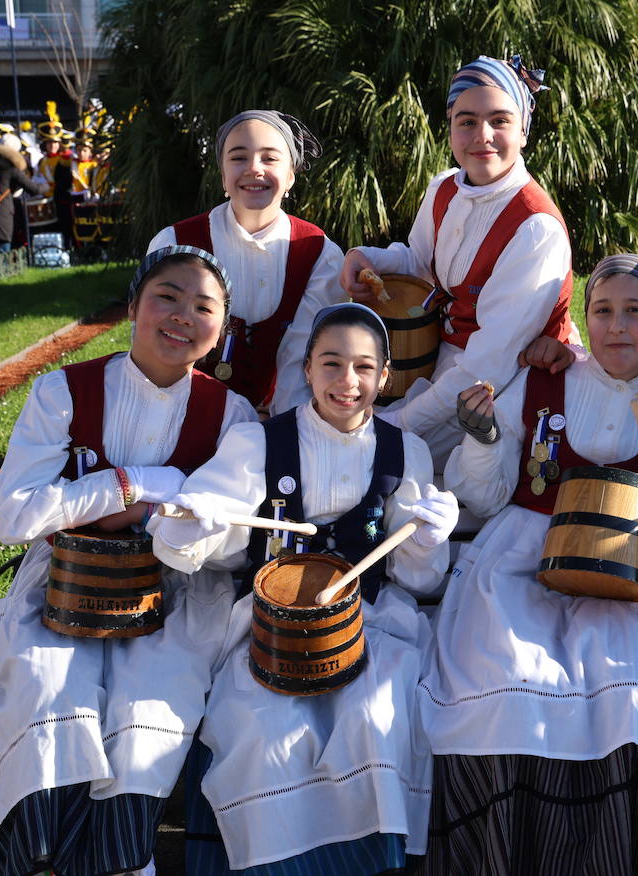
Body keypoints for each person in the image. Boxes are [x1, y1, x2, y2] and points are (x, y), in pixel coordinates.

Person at [0, 247, 258, 876]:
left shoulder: (234, 417)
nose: (182, 316)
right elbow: (14, 517)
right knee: (44, 690)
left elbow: (232, 541)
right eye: (166, 297)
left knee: (145, 710)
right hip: (63, 583)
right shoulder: (63, 391)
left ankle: (119, 860)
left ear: (221, 330)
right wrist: (129, 483)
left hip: (176, 593)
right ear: (133, 307)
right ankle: (30, 859)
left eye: (204, 307)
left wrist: (151, 515)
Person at [420, 255, 638, 874]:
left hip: (629, 574)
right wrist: (482, 441)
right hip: (523, 557)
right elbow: (484, 496)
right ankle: (506, 854)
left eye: (634, 312)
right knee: (506, 672)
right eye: (603, 311)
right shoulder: (542, 385)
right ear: (585, 320)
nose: (617, 327)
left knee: (637, 690)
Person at [149, 302, 456, 874]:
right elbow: (201, 542)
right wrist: (201, 520)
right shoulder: (257, 444)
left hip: (370, 624)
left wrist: (427, 539)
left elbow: (418, 578)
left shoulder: (403, 451)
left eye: (365, 368)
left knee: (376, 717)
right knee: (263, 729)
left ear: (385, 377)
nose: (348, 381)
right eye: (332, 363)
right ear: (307, 369)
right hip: (268, 628)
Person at [339, 54, 580, 466]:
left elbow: (491, 363)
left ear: (523, 130)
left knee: (377, 453)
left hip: (502, 386)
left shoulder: (535, 228)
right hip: (442, 355)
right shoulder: (445, 188)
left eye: (500, 121)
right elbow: (418, 261)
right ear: (450, 128)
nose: (482, 135)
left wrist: (397, 423)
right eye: (466, 120)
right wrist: (366, 256)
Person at [148, 109, 345, 415]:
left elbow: (307, 357)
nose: (254, 168)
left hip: (284, 418)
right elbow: (155, 351)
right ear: (223, 174)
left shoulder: (319, 253)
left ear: (291, 175)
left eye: (270, 158)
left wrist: (285, 434)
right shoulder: (175, 244)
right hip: (184, 416)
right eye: (238, 157)